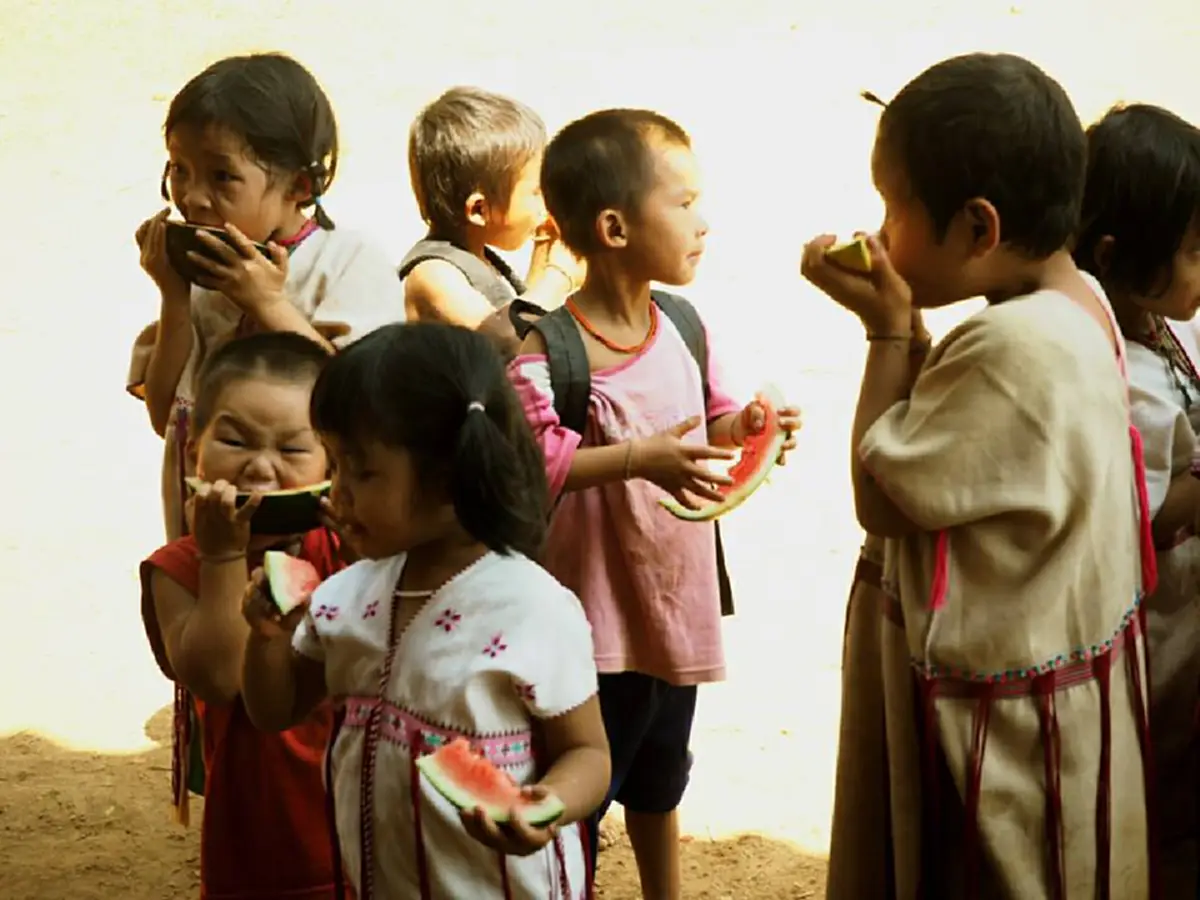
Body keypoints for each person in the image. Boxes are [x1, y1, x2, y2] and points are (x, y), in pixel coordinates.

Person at [801, 53, 1159, 899]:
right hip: (1061, 707)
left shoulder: (1007, 347)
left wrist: (888, 332)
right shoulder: (1080, 301)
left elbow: (880, 494)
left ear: (978, 229)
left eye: (894, 208)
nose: (881, 230)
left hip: (1004, 737)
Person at [506, 108, 801, 900]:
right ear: (613, 226)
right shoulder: (551, 352)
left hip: (673, 604)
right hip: (591, 621)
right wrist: (640, 459)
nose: (701, 223)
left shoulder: (680, 324)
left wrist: (749, 430)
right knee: (584, 786)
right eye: (683, 204)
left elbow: (710, 422)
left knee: (662, 776)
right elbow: (530, 462)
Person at [240, 322, 610, 899]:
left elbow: (587, 752)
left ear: (445, 480)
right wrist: (265, 638)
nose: (335, 492)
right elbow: (276, 709)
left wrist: (551, 803)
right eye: (333, 465)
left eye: (360, 471)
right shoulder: (343, 595)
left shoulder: (533, 608)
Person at [128, 52, 404, 541]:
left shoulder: (344, 263)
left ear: (299, 185)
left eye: (221, 176)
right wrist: (174, 298)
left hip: (319, 543)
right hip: (206, 539)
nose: (190, 197)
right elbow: (164, 414)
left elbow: (366, 402)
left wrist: (268, 304)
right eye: (179, 169)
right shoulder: (202, 278)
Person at [139, 331, 343, 899]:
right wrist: (223, 555)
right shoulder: (177, 569)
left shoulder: (355, 549)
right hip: (263, 855)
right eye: (234, 439)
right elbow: (221, 677)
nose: (261, 466)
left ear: (336, 460)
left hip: (372, 835)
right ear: (192, 448)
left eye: (294, 449)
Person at [1073, 101, 1200, 897]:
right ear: (1117, 255)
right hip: (1157, 641)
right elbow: (1139, 522)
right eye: (1191, 249)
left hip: (1181, 627)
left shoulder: (1152, 326)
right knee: (1164, 807)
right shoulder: (1117, 374)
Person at [399, 86, 584, 357]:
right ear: (479, 210)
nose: (546, 201)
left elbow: (524, 316)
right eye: (536, 192)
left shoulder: (480, 258)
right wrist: (560, 277)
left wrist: (545, 251)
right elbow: (507, 344)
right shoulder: (433, 275)